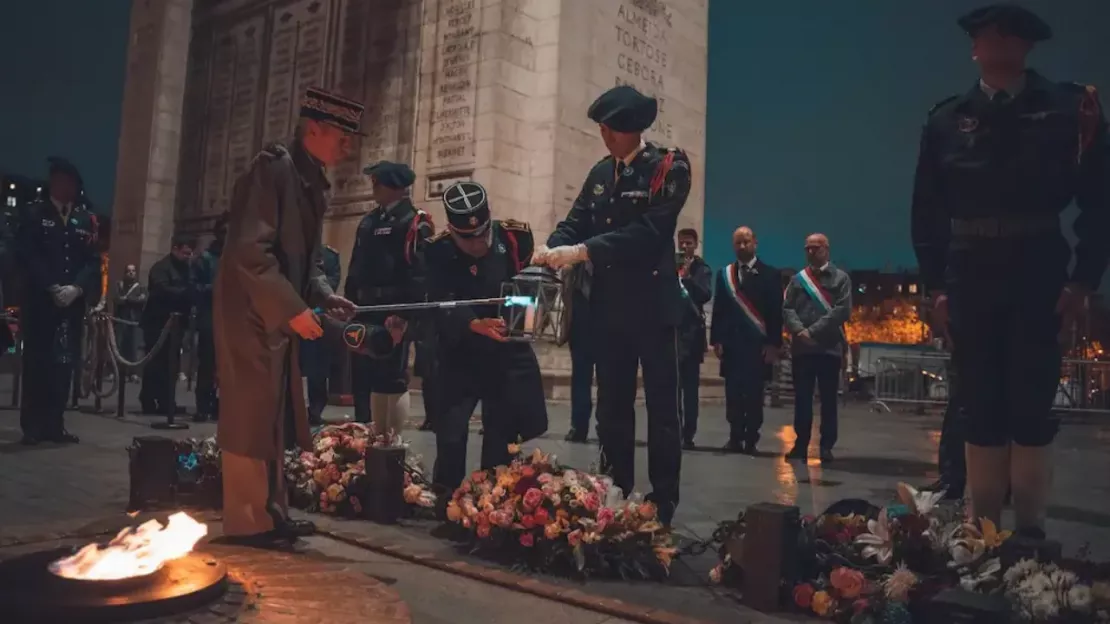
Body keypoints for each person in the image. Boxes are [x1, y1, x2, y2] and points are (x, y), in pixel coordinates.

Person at [911, 4, 1108, 537]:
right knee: (979, 403)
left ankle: (1030, 533)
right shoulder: (946, 119)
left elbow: (1099, 202)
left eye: (1007, 36)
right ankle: (982, 533)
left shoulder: (1071, 109)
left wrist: (1083, 280)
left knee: (1032, 401)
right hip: (970, 271)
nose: (995, 44)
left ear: (1027, 46)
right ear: (973, 47)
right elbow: (927, 209)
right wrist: (935, 287)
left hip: (1038, 268)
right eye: (985, 37)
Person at [534, 85, 691, 526]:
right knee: (613, 407)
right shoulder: (602, 172)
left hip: (653, 308)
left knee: (662, 410)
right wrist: (551, 248)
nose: (602, 134)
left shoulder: (668, 167)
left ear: (628, 129)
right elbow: (576, 219)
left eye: (608, 128)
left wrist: (583, 251)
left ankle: (663, 501)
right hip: (610, 310)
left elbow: (650, 232)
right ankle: (617, 488)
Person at [214, 87, 358, 545]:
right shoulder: (272, 170)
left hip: (273, 313)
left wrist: (322, 294)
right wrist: (293, 309)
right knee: (249, 412)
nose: (348, 146)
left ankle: (270, 511)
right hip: (251, 311)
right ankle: (245, 518)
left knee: (272, 412)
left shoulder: (308, 178)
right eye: (342, 135)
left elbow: (304, 260)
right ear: (312, 128)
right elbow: (249, 253)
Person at [424, 181, 548, 494]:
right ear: (452, 230)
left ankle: (492, 508)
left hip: (502, 355)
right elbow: (437, 302)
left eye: (482, 235)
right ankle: (446, 503)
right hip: (459, 354)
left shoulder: (514, 237)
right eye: (467, 239)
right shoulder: (437, 250)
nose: (477, 244)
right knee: (450, 434)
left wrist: (528, 316)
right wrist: (472, 323)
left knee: (501, 437)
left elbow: (527, 290)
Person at [16, 157, 101, 445]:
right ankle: (33, 426)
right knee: (37, 363)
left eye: (75, 184)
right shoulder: (33, 214)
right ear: (56, 183)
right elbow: (27, 255)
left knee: (64, 365)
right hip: (41, 303)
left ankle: (56, 424)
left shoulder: (83, 219)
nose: (72, 189)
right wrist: (51, 287)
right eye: (67, 182)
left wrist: (77, 288)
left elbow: (92, 260)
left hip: (71, 306)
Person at [343, 161, 433, 433]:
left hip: (392, 310)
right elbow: (356, 266)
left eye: (378, 183)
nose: (374, 188)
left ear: (395, 187)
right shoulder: (370, 220)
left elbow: (420, 273)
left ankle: (389, 439)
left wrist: (405, 316)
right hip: (364, 308)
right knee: (362, 375)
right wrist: (348, 303)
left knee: (390, 376)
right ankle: (362, 436)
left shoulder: (415, 221)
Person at [710, 226, 783, 454]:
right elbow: (719, 310)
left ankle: (751, 439)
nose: (742, 246)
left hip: (757, 347)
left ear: (755, 243)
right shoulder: (724, 275)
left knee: (754, 395)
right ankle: (735, 437)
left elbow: (775, 313)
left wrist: (773, 344)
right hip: (732, 346)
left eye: (747, 242)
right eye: (738, 242)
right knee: (733, 394)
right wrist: (717, 340)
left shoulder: (771, 275)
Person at [782, 233, 851, 463]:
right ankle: (801, 444)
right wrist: (799, 331)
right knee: (802, 399)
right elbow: (788, 307)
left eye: (816, 248)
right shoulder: (798, 280)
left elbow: (841, 311)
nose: (811, 252)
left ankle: (826, 446)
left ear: (826, 249)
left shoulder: (841, 279)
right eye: (808, 249)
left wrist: (812, 332)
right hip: (802, 349)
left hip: (829, 348)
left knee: (829, 401)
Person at [140, 234, 196, 415]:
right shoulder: (161, 268)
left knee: (171, 364)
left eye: (190, 253)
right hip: (158, 323)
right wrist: (185, 293)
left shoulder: (185, 269)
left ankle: (167, 401)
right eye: (185, 253)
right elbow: (161, 289)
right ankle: (149, 400)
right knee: (155, 363)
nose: (188, 257)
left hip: (176, 323)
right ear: (175, 249)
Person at [676, 228, 711, 449]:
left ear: (696, 244)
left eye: (688, 243)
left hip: (692, 335)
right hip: (672, 333)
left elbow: (705, 294)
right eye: (681, 243)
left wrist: (688, 279)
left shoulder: (702, 269)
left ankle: (688, 433)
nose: (684, 247)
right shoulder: (670, 266)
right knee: (672, 389)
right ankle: (674, 429)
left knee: (690, 390)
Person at [301, 243, 341, 425]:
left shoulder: (330, 255)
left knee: (317, 368)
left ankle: (315, 410)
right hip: (294, 313)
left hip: (318, 315)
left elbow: (332, 280)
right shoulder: (294, 252)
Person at [192, 216, 226, 422]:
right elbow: (194, 287)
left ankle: (221, 405)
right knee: (207, 364)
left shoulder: (236, 258)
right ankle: (203, 405)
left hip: (233, 319)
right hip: (210, 317)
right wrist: (215, 289)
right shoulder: (205, 259)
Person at [563, 262, 596, 443]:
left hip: (604, 327)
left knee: (607, 381)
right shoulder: (574, 267)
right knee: (580, 378)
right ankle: (579, 426)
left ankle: (602, 426)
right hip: (580, 327)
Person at [114, 264, 147, 372]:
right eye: (129, 271)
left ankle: (133, 373)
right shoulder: (119, 285)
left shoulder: (140, 287)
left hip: (134, 320)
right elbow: (117, 300)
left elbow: (143, 300)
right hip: (120, 319)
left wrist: (127, 299)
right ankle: (115, 371)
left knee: (133, 346)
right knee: (118, 345)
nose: (131, 273)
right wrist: (134, 299)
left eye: (133, 270)